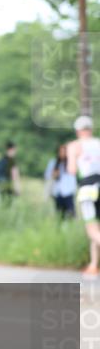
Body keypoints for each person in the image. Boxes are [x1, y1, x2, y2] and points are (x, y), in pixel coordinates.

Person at [67, 115, 100, 277]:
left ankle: (93, 265)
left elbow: (72, 170)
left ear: (78, 131)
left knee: (91, 229)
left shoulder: (74, 145)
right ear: (91, 129)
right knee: (97, 229)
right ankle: (93, 265)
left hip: (88, 187)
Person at [45, 144, 77, 219]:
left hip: (68, 191)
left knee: (71, 213)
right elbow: (47, 175)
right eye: (61, 152)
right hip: (57, 192)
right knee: (59, 213)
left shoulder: (71, 163)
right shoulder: (53, 162)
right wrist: (53, 174)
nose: (62, 154)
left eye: (64, 152)